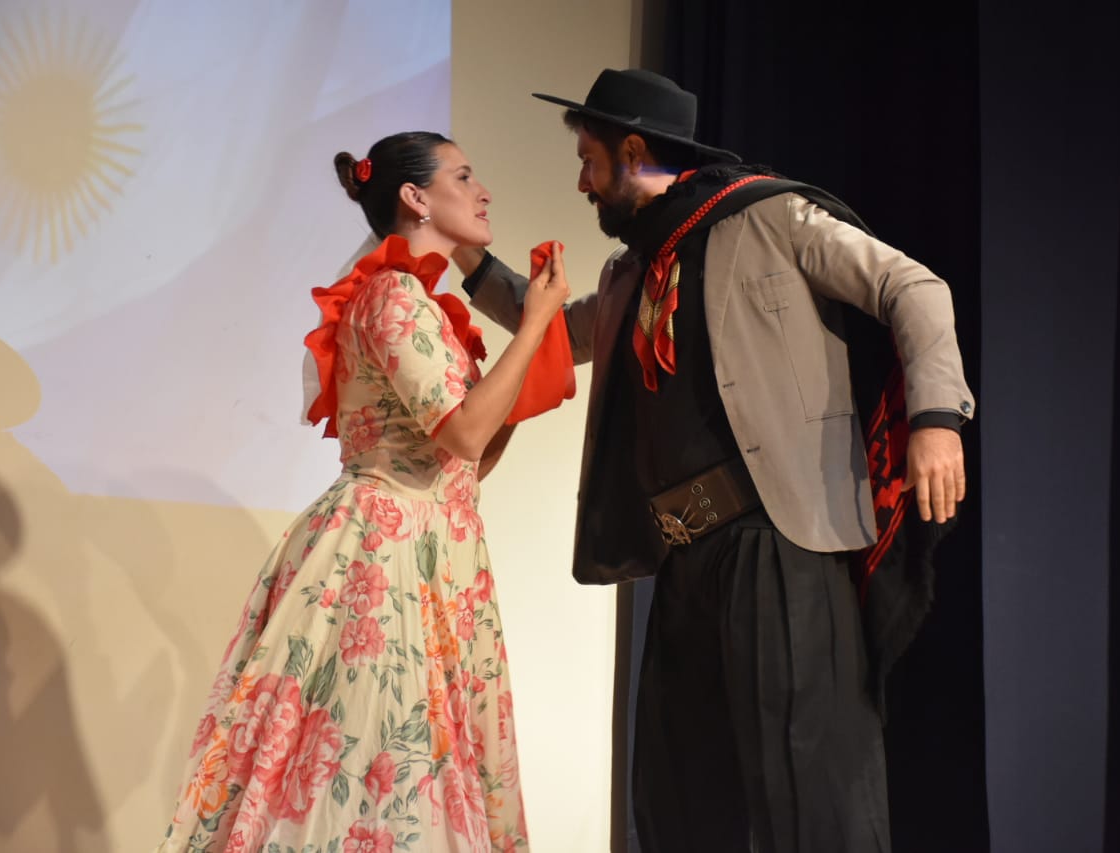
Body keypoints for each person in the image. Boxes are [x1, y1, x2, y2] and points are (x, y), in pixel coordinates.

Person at [452, 69, 975, 853]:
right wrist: (467, 260)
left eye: (590, 160)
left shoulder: (769, 217)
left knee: (811, 798)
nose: (582, 182)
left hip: (778, 542)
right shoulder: (633, 271)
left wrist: (936, 419)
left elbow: (913, 286)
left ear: (634, 153)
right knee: (680, 801)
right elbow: (557, 331)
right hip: (686, 560)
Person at [158, 131, 569, 852]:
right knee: (378, 766)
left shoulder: (425, 304)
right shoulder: (392, 296)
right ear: (415, 197)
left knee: (427, 766)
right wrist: (533, 321)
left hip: (438, 555)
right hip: (383, 561)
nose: (483, 192)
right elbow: (465, 432)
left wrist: (530, 369)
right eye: (463, 176)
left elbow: (466, 460)